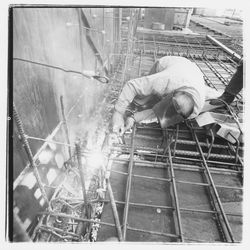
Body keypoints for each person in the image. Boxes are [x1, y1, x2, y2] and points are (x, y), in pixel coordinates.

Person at [112, 56, 214, 135]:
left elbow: (161, 114)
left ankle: (150, 87)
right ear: (170, 95)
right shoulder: (165, 81)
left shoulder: (194, 111)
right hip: (170, 64)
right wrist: (118, 113)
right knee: (141, 99)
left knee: (155, 102)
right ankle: (147, 80)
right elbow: (131, 85)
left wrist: (134, 118)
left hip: (193, 73)